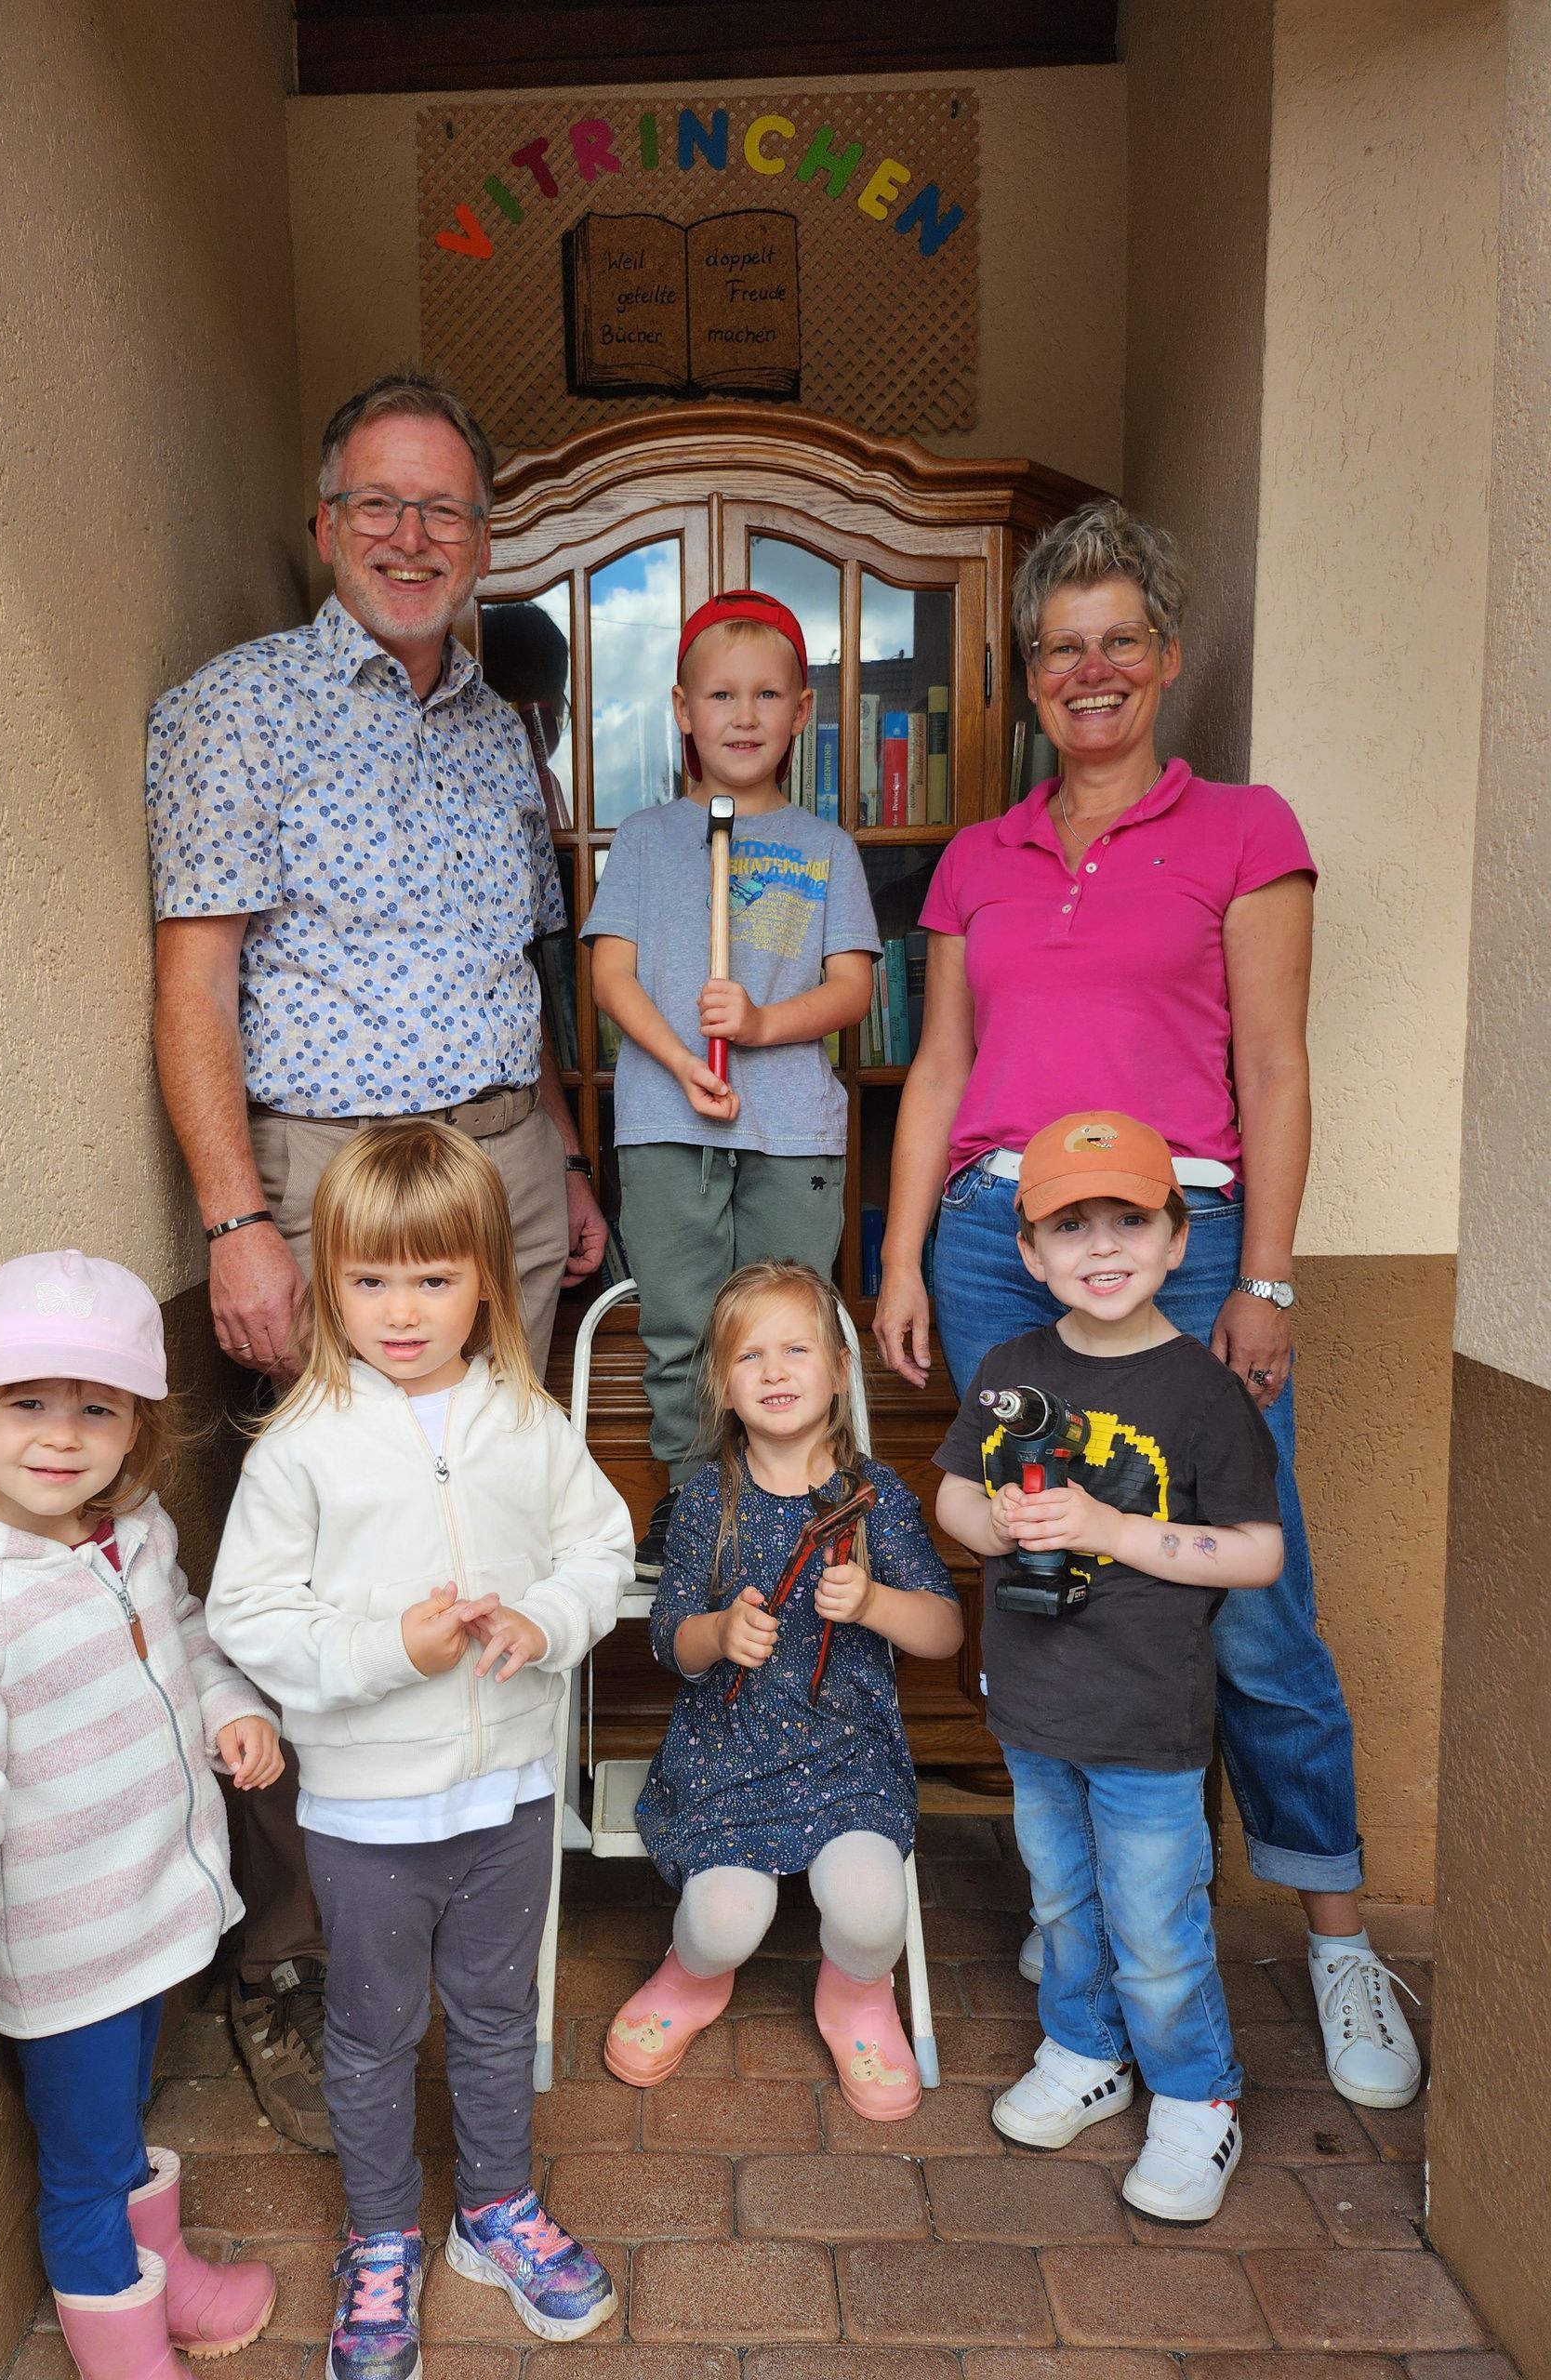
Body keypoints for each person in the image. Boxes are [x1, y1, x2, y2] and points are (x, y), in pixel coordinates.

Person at [874, 499, 1422, 2109]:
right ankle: (1096, 1923)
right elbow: (944, 1072)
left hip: (1182, 1244)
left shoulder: (1246, 829)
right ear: (1028, 678)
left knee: (1249, 1600)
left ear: (1168, 658)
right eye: (1061, 647)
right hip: (996, 1239)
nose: (1091, 669)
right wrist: (905, 1254)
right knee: (1045, 1567)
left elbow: (1274, 1067)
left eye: (1120, 639)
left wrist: (1265, 1272)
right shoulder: (980, 855)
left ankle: (1334, 1940)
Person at [146, 368, 607, 2140]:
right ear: (327, 520)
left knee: (497, 1502)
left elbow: (533, 974)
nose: (418, 539)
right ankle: (312, 1942)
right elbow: (193, 986)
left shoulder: (502, 732)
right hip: (327, 1187)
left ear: (486, 543)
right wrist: (234, 1219)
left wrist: (562, 1153)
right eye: (384, 506)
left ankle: (486, 1870)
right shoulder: (235, 712)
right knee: (316, 1540)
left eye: (450, 513)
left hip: (503, 1164)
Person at [204, 1121, 631, 2379]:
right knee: (377, 2030)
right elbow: (254, 1619)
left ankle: (494, 2210)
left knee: (500, 2012)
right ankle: (383, 2234)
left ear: (489, 1279)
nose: (402, 1310)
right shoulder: (301, 1445)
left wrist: (546, 1619)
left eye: (434, 1278)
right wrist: (398, 1645)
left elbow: (597, 1553)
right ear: (326, 1280)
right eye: (370, 1280)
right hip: (369, 1813)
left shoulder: (528, 1420)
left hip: (509, 1791)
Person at [0, 1251, 285, 2380]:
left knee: (126, 2115)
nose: (59, 1436)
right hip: (68, 1944)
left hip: (154, 1907)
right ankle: (122, 2345)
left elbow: (192, 1637)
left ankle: (170, 2283)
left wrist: (230, 1707)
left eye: (94, 1408)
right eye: (26, 1403)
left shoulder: (135, 1528)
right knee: (82, 2161)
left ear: (136, 1427)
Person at [937, 1115, 1284, 2222]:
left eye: (1129, 1220)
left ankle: (1197, 2094)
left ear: (1178, 1241)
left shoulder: (1202, 1391)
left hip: (1146, 1717)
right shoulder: (1009, 1367)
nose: (1101, 1245)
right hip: (1034, 1708)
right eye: (1068, 1224)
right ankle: (1088, 2048)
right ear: (1029, 1252)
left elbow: (1259, 1551)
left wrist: (1109, 1527)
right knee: (1063, 1900)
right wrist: (994, 1524)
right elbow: (951, 1490)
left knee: (1155, 1923)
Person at [604, 1260, 962, 2120]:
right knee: (724, 1920)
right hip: (731, 1758)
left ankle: (856, 1997)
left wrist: (876, 1602)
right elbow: (671, 1641)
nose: (774, 1371)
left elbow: (944, 1630)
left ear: (839, 1369)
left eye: (796, 1348)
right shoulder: (704, 1502)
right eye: (750, 1356)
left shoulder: (876, 1499)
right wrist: (719, 1631)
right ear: (722, 1387)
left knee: (873, 1911)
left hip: (850, 1758)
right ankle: (691, 1982)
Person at [584, 590, 879, 1578]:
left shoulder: (826, 848)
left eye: (767, 695)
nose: (743, 716)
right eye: (721, 695)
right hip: (668, 1118)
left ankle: (798, 1498)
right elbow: (611, 974)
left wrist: (757, 1026)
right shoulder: (647, 838)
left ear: (802, 712)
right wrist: (680, 1059)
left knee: (790, 1327)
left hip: (793, 1128)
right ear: (682, 709)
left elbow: (850, 990)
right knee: (681, 1321)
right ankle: (694, 1497)